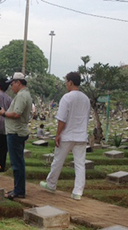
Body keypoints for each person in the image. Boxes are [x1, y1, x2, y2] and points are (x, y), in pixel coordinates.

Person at [40, 72, 91, 200]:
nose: (66, 84)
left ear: (70, 82)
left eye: (66, 82)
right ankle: (78, 192)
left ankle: (51, 184)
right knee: (80, 164)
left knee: (58, 161)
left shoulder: (67, 97)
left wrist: (58, 134)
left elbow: (62, 119)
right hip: (81, 136)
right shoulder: (86, 98)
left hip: (67, 135)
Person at [0, 72, 32, 200]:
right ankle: (18, 188)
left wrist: (3, 113)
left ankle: (19, 191)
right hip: (16, 131)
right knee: (18, 161)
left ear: (18, 82)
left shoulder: (22, 96)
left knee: (17, 163)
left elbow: (16, 114)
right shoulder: (22, 95)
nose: (11, 86)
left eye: (12, 84)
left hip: (16, 132)